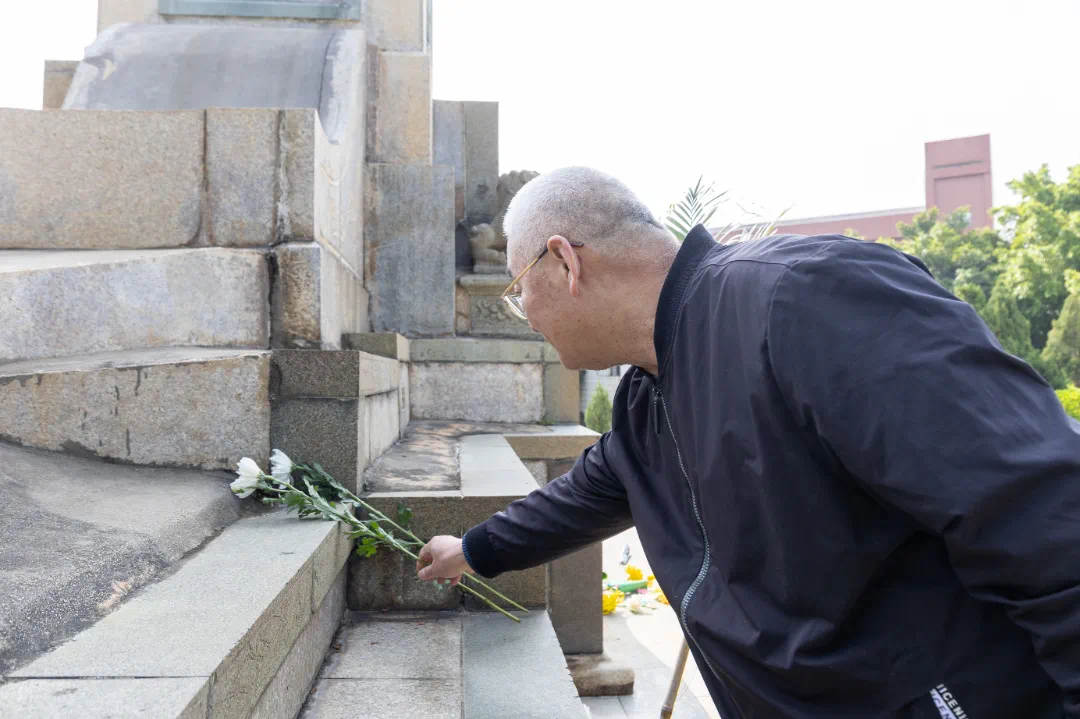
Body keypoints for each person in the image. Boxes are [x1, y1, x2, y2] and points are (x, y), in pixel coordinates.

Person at [416, 166, 1080, 718]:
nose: (524, 315)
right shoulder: (648, 397)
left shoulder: (802, 298)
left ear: (564, 261)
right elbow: (586, 494)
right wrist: (472, 549)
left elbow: (1037, 510)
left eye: (517, 291)